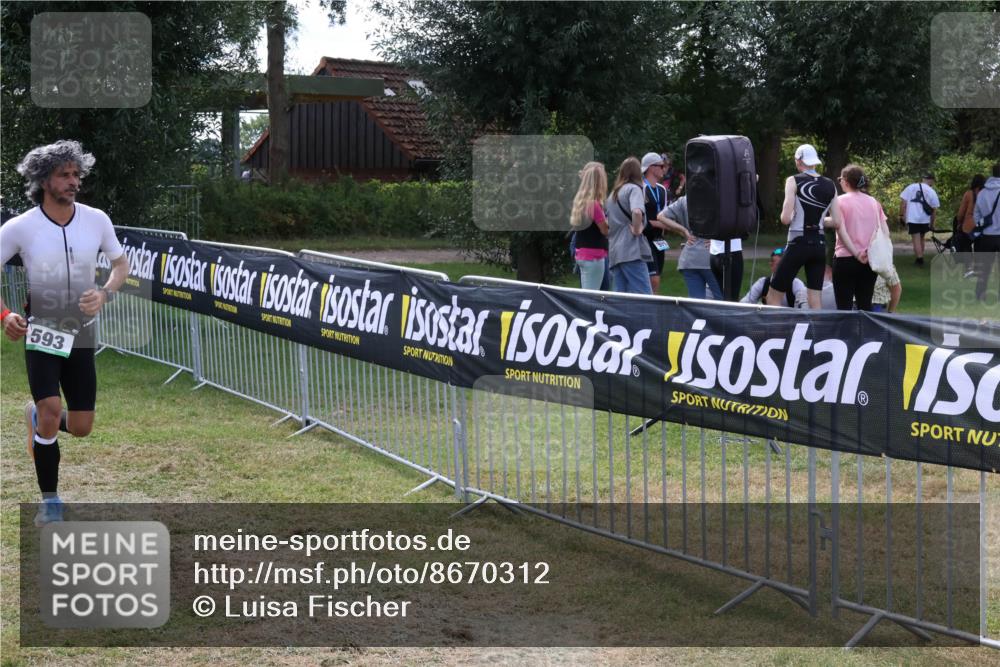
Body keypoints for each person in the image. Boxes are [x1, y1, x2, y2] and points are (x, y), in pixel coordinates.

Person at [0, 140, 129, 526]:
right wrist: (5, 314)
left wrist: (104, 293)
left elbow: (121, 265)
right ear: (44, 180)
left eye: (77, 174)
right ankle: (51, 500)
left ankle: (38, 418)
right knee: (52, 410)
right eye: (64, 175)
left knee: (83, 427)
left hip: (82, 332)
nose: (73, 182)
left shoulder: (96, 219)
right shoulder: (20, 227)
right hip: (42, 330)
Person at [768, 144, 863, 310]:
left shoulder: (793, 181)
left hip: (798, 243)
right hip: (819, 245)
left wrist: (796, 218)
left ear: (798, 161)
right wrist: (818, 221)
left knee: (773, 297)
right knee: (815, 301)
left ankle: (777, 334)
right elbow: (837, 222)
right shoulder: (830, 185)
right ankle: (816, 335)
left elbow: (785, 218)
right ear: (814, 162)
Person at [832, 164, 883, 311]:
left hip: (845, 258)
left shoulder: (839, 201)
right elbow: (881, 230)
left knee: (844, 306)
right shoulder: (873, 202)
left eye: (840, 179)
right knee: (865, 305)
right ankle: (866, 334)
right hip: (869, 259)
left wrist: (856, 253)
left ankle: (845, 334)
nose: (839, 181)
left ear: (846, 181)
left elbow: (841, 230)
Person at [656, 196, 722, 300]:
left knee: (695, 303)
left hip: (689, 258)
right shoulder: (717, 197)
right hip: (710, 257)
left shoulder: (685, 199)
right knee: (723, 301)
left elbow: (661, 216)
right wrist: (717, 237)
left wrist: (684, 231)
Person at [606, 156, 653, 294]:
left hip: (615, 251)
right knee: (644, 295)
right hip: (631, 250)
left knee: (621, 296)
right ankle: (646, 317)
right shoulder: (634, 189)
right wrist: (638, 229)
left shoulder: (613, 194)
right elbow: (637, 211)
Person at [569, 161, 610, 291]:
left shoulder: (580, 202)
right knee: (591, 298)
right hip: (594, 256)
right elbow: (605, 230)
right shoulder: (594, 205)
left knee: (589, 293)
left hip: (582, 253)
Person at [639, 152, 670, 293]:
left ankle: (652, 306)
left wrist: (664, 224)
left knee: (657, 278)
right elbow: (641, 220)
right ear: (651, 168)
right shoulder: (641, 188)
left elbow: (665, 215)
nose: (665, 169)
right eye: (662, 166)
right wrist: (661, 224)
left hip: (659, 240)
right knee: (653, 278)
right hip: (644, 240)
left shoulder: (662, 190)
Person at [971, 163, 1000, 301]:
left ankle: (980, 295)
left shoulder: (982, 192)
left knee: (984, 269)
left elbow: (976, 214)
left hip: (986, 236)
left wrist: (981, 227)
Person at [741, 248, 808, 308]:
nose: (784, 268)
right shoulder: (762, 283)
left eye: (786, 265)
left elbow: (805, 307)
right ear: (771, 265)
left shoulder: (796, 284)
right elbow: (745, 304)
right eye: (780, 265)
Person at [899, 173, 940, 266]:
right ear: (931, 180)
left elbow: (903, 203)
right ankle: (920, 256)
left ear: (923, 179)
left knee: (916, 239)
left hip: (913, 218)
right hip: (925, 219)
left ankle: (919, 259)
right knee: (921, 238)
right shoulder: (931, 191)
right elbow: (934, 210)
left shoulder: (910, 187)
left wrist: (901, 215)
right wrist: (932, 224)